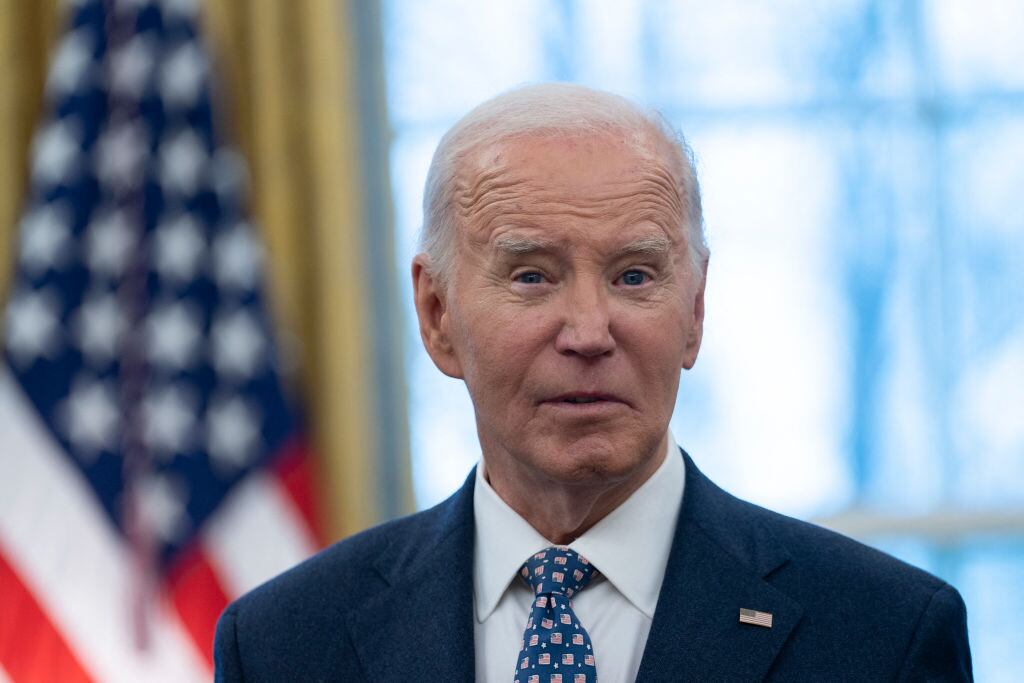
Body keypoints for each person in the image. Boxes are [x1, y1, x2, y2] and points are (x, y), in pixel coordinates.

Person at [213, 83, 972, 681]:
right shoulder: (284, 643)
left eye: (634, 275)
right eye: (533, 275)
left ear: (696, 310)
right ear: (437, 314)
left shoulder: (883, 634)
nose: (587, 331)